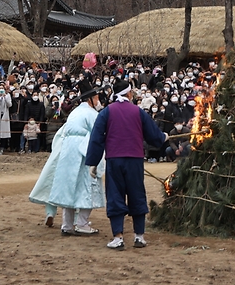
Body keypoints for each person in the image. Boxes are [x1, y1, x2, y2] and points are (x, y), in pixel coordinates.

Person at [86, 79, 167, 250]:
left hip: (114, 160)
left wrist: (93, 162)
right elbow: (153, 135)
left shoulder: (106, 112)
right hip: (135, 159)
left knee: (115, 195)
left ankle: (118, 237)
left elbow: (96, 139)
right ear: (129, 93)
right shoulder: (138, 112)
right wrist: (163, 138)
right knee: (137, 194)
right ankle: (139, 236)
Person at [29, 79, 105, 236]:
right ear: (90, 99)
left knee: (69, 187)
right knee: (86, 187)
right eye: (96, 97)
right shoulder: (92, 114)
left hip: (67, 151)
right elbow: (98, 136)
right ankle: (82, 223)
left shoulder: (75, 112)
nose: (98, 100)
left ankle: (67, 225)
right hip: (84, 150)